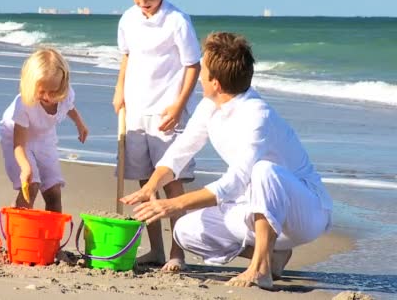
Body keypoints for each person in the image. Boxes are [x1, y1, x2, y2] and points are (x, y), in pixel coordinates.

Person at [122, 32, 333, 289]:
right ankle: (272, 255)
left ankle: (261, 270)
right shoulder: (210, 106)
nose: (199, 73)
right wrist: (151, 186)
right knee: (185, 231)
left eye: (203, 68)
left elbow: (233, 183)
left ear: (216, 83)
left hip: (304, 213)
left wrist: (173, 204)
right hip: (255, 208)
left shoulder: (257, 115)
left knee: (263, 171)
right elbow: (180, 151)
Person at [113, 0, 202, 272]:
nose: (143, 3)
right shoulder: (128, 19)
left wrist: (178, 106)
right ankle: (155, 249)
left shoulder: (177, 20)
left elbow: (193, 65)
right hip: (137, 112)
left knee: (172, 183)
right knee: (144, 182)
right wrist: (119, 90)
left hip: (166, 114)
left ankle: (179, 252)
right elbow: (127, 57)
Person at [0, 48, 88, 213]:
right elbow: (19, 144)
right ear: (31, 86)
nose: (48, 97)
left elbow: (69, 108)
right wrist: (25, 167)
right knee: (31, 185)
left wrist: (80, 124)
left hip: (44, 137)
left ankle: (52, 236)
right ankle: (19, 223)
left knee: (53, 190)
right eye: (42, 92)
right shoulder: (24, 104)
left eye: (54, 91)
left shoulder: (65, 95)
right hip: (16, 137)